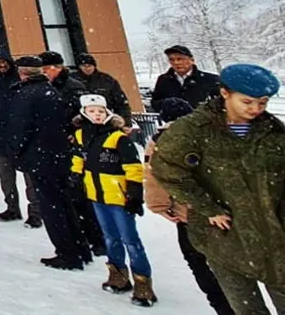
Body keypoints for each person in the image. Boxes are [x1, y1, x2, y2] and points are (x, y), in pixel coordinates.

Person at [151, 63, 285, 315]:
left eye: (263, 102)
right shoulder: (193, 130)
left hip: (273, 238)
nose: (256, 109)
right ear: (225, 93)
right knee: (247, 309)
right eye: (247, 102)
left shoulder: (273, 132)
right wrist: (208, 207)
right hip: (223, 238)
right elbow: (166, 169)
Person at [143, 97, 235, 315]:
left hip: (189, 214)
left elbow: (154, 176)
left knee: (200, 265)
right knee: (231, 267)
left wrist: (159, 206)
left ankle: (225, 308)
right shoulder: (209, 134)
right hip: (221, 211)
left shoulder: (161, 140)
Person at [71, 93, 156, 306]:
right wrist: (75, 177)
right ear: (84, 113)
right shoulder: (81, 135)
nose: (97, 115)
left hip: (119, 197)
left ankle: (143, 282)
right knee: (110, 237)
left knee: (130, 240)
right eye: (92, 111)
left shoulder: (118, 138)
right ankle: (117, 275)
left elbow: (133, 167)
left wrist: (134, 194)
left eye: (101, 111)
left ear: (107, 113)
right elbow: (78, 157)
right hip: (96, 195)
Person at [9, 55, 91, 271]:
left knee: (52, 206)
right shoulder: (50, 91)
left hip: (40, 157)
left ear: (22, 73)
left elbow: (20, 128)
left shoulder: (26, 94)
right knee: (64, 203)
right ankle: (80, 248)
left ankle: (67, 254)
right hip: (59, 155)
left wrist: (16, 151)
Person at [43, 50, 107, 257]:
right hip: (61, 147)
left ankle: (97, 238)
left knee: (82, 194)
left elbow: (83, 117)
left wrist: (72, 133)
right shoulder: (50, 87)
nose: (44, 72)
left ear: (56, 68)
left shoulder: (73, 88)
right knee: (71, 194)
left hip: (76, 148)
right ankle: (85, 235)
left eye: (46, 68)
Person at [0, 48, 39, 225]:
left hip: (23, 136)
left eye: (4, 62)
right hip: (0, 136)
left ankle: (35, 212)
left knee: (30, 177)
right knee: (6, 177)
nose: (1, 65)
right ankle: (12, 208)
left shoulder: (20, 78)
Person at [150, 45, 221, 113]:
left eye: (180, 59)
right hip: (173, 120)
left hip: (203, 120)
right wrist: (167, 104)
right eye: (171, 60)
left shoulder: (210, 79)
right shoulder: (163, 80)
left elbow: (221, 103)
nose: (176, 63)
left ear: (192, 60)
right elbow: (155, 103)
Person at [75, 54, 133, 125]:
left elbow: (121, 103)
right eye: (84, 66)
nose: (87, 68)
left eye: (90, 65)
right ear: (79, 67)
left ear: (94, 66)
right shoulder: (72, 81)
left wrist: (126, 122)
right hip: (81, 123)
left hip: (106, 121)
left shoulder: (107, 80)